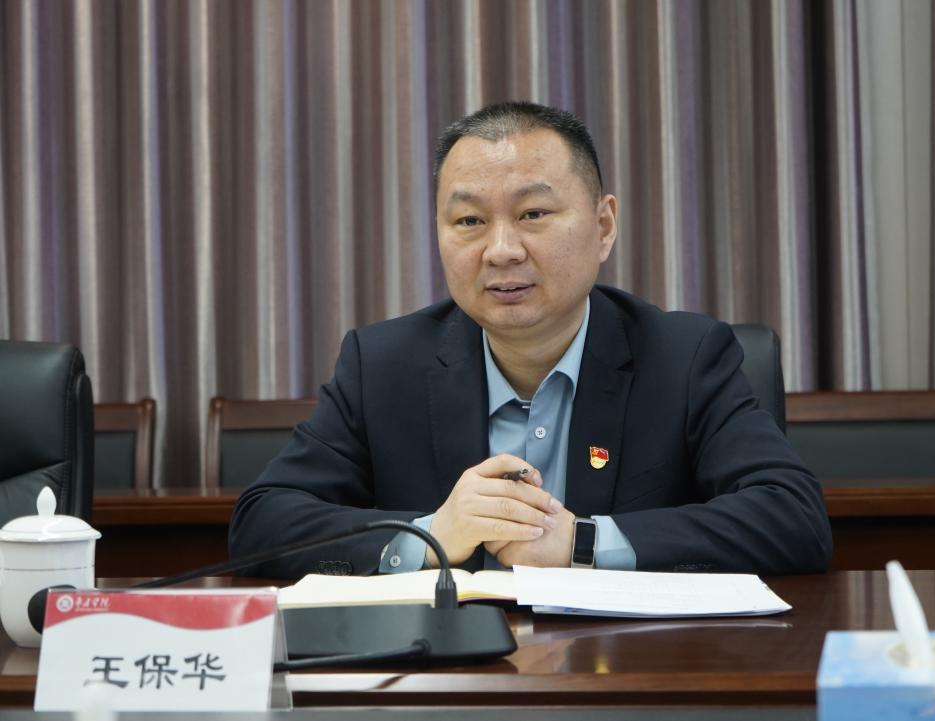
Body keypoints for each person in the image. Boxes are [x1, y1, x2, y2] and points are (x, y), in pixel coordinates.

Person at [229, 101, 832, 579]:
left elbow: (792, 517)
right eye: (469, 221)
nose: (501, 250)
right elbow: (263, 522)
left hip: (626, 670)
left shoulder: (684, 356)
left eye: (533, 214)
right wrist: (430, 534)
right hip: (448, 676)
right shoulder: (383, 365)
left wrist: (583, 542)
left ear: (603, 226)